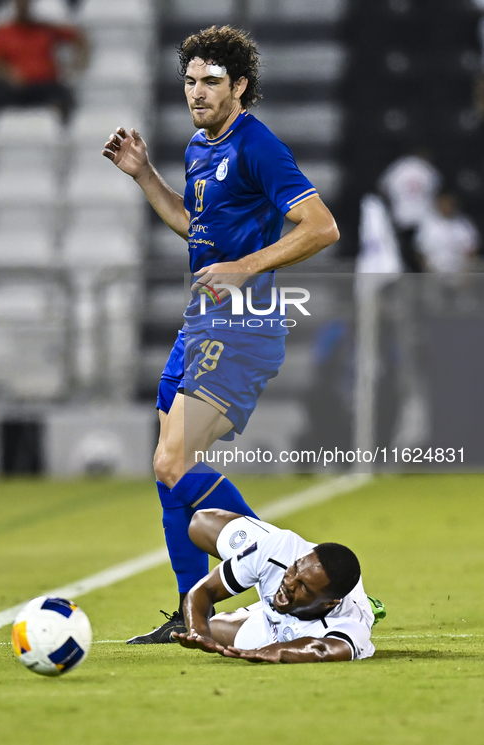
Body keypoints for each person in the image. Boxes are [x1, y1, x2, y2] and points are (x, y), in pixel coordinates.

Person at [103, 26, 339, 644]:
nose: (197, 92)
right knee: (169, 470)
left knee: (172, 460)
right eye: (190, 81)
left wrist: (247, 266)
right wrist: (145, 176)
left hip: (244, 324)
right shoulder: (199, 148)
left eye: (211, 82)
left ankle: (305, 578)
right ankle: (191, 613)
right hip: (201, 320)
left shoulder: (258, 145)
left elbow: (321, 227)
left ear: (239, 86)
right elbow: (195, 223)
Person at [173, 508, 384, 663]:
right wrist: (198, 630)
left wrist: (280, 650)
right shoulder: (281, 549)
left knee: (217, 627)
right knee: (200, 523)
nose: (289, 582)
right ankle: (257, 580)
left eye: (304, 587)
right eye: (295, 570)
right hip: (273, 569)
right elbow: (204, 590)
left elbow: (323, 649)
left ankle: (261, 610)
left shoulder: (350, 624)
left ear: (330, 603)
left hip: (287, 634)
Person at [0, 0, 89, 122]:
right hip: (15, 87)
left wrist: (77, 64)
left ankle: (65, 134)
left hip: (45, 85)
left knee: (65, 97)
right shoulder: (4, 32)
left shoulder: (46, 29)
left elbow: (78, 38)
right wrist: (6, 72)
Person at [377, 150, 442, 272]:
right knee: (424, 253)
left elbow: (382, 187)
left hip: (402, 217)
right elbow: (438, 188)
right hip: (424, 218)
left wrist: (391, 207)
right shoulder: (426, 168)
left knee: (405, 254)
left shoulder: (398, 167)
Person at [415, 191, 479, 273]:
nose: (446, 207)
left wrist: (467, 272)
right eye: (443, 204)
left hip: (460, 272)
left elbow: (472, 251)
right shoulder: (427, 226)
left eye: (449, 204)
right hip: (435, 272)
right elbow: (419, 253)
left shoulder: (464, 225)